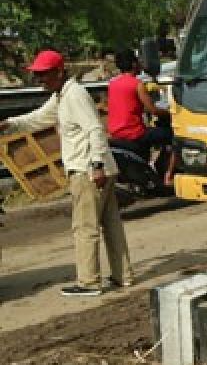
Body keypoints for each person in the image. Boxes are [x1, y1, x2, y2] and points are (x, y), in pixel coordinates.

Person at [0, 49, 132, 296]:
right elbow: (40, 118)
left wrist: (96, 165)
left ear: (59, 72)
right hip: (97, 168)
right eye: (37, 75)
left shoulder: (74, 96)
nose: (39, 80)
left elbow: (95, 130)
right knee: (111, 225)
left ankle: (89, 282)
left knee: (85, 227)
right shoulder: (62, 96)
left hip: (87, 171)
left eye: (43, 74)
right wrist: (10, 124)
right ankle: (122, 275)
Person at [107, 48, 173, 181]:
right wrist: (171, 112)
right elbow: (153, 110)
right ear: (133, 64)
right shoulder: (137, 84)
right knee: (173, 136)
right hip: (135, 133)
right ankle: (168, 176)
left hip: (116, 133)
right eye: (138, 61)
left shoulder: (112, 84)